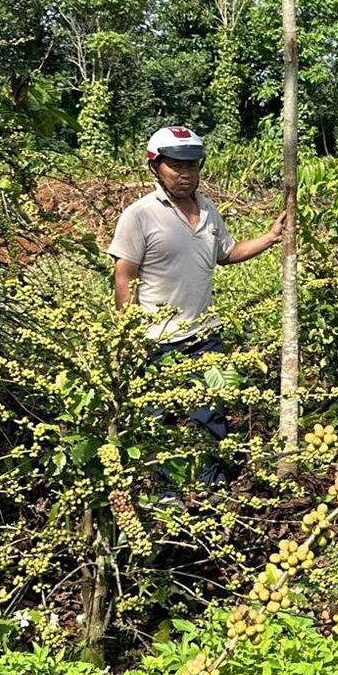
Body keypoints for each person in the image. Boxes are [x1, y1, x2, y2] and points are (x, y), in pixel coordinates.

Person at [108, 126, 285, 440]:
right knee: (157, 422)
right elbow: (124, 278)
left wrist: (270, 238)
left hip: (204, 337)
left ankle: (212, 482)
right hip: (155, 341)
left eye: (191, 165)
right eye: (175, 165)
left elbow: (227, 253)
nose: (184, 173)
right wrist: (129, 337)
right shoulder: (140, 216)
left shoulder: (207, 210)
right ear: (155, 167)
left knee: (211, 415)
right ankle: (164, 489)